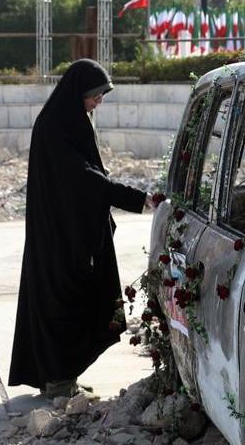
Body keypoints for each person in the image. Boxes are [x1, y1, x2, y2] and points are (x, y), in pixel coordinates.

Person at [10, 60, 156, 400]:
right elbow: (84, 180)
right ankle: (58, 381)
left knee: (79, 299)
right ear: (78, 93)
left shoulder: (69, 122)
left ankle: (63, 378)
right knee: (62, 302)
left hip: (70, 234)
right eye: (94, 97)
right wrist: (135, 197)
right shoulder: (54, 127)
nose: (97, 104)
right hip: (58, 239)